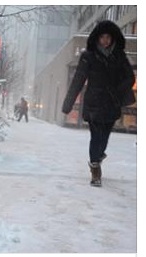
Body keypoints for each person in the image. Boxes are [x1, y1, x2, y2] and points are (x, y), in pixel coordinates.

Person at [62, 20, 135, 187]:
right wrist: (68, 104)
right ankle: (95, 170)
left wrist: (118, 91)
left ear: (113, 38)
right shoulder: (88, 56)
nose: (105, 40)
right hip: (93, 102)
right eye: (102, 37)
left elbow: (130, 77)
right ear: (97, 38)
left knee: (104, 138)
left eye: (108, 37)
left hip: (111, 103)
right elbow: (78, 80)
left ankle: (99, 155)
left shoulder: (119, 56)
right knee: (96, 137)